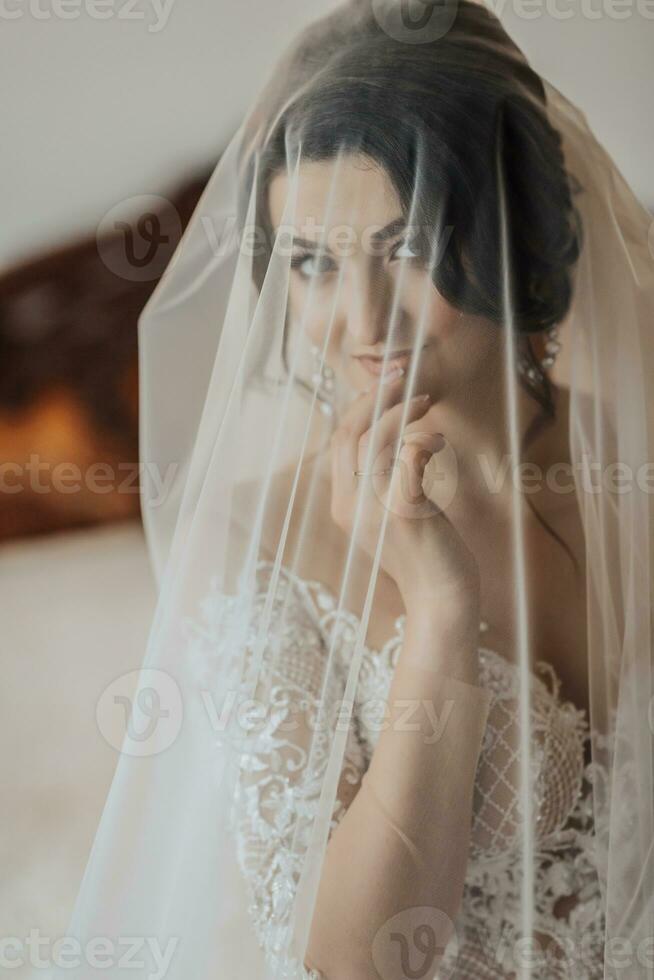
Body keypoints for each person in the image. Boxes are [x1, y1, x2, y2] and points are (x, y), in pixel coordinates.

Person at [45, 2, 654, 979]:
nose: (360, 318)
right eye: (314, 264)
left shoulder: (636, 448)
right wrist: (442, 614)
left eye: (406, 249)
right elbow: (355, 961)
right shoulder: (249, 536)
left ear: (519, 237)